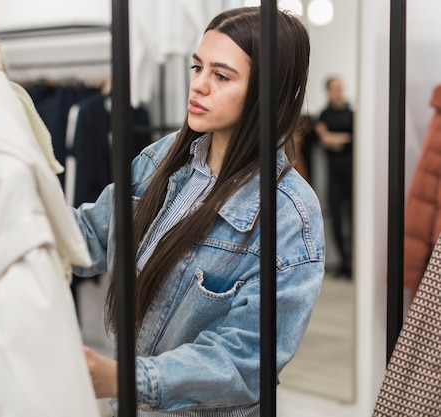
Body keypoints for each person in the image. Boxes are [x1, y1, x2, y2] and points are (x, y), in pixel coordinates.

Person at [71, 6, 325, 416]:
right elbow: (91, 234)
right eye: (197, 67)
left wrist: (129, 379)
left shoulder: (289, 214)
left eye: (221, 76)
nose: (199, 86)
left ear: (268, 91)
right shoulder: (163, 159)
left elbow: (246, 358)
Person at [315, 76, 354, 278]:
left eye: (340, 88)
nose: (338, 92)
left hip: (351, 173)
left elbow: (347, 140)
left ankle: (353, 261)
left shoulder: (352, 114)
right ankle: (343, 262)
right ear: (328, 92)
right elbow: (326, 141)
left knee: (353, 219)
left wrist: (332, 138)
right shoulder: (324, 114)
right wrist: (338, 139)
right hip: (333, 173)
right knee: (337, 218)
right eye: (334, 89)